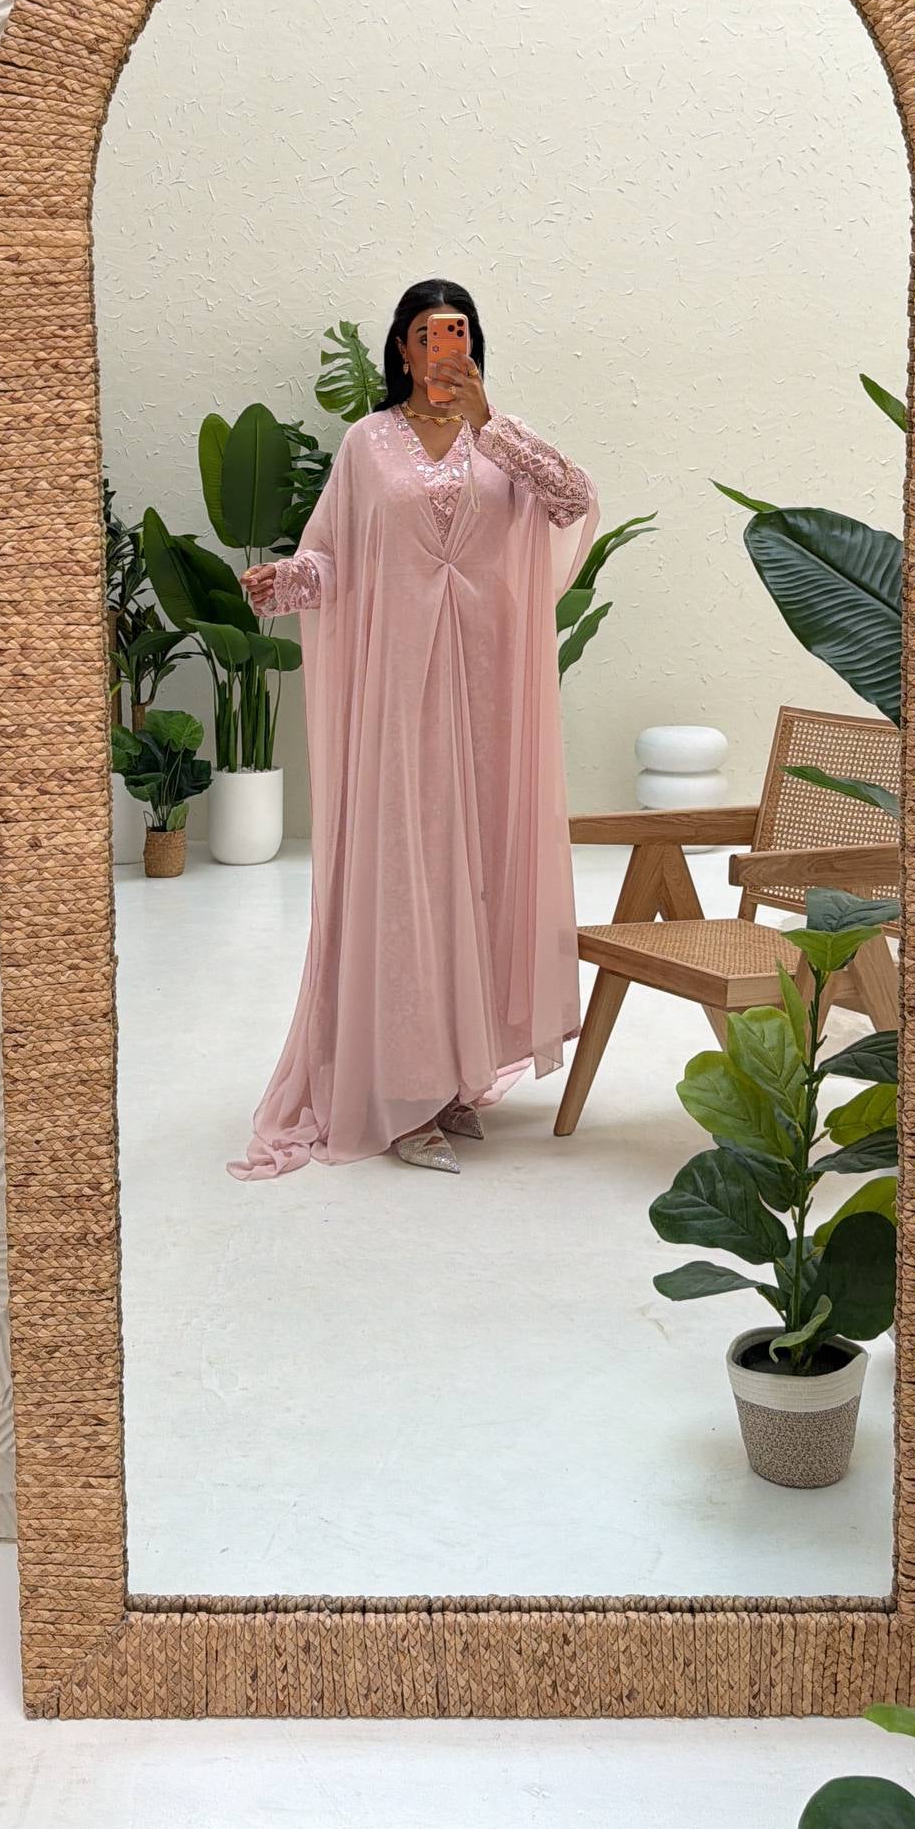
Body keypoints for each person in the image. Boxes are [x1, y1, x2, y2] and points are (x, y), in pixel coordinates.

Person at [228, 279, 600, 1180]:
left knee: (479, 868)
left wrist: (490, 421)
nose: (443, 348)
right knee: (406, 872)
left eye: (458, 332)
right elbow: (336, 555)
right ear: (402, 347)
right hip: (399, 691)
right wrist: (289, 581)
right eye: (428, 334)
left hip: (486, 691)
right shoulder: (368, 444)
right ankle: (401, 1088)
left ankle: (457, 1075)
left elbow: (575, 501)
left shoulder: (500, 441)